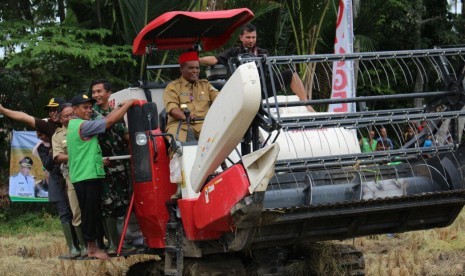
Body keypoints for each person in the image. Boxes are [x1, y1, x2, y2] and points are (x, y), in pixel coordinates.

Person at [0, 98, 80, 258]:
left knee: (80, 210)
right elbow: (24, 117)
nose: (52, 113)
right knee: (65, 212)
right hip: (59, 175)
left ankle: (88, 246)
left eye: (55, 109)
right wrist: (3, 110)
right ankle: (74, 249)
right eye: (49, 110)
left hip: (78, 172)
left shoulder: (79, 123)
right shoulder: (48, 126)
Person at [67, 93, 135, 260]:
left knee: (92, 212)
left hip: (86, 173)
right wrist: (129, 104)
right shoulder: (83, 126)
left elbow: (106, 119)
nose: (89, 110)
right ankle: (91, 249)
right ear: (75, 109)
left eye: (90, 107)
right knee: (90, 214)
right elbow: (109, 122)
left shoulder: (75, 125)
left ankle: (94, 247)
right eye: (85, 108)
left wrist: (118, 107)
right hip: (86, 175)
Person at [199, 23, 315, 112]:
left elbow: (269, 71)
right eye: (248, 37)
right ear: (241, 38)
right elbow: (214, 59)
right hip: (240, 92)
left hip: (261, 88)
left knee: (290, 73)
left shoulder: (262, 52)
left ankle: (306, 104)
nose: (251, 40)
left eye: (253, 37)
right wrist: (196, 60)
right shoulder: (233, 52)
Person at [90, 79, 135, 253]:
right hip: (105, 166)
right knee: (107, 205)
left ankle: (123, 241)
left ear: (109, 93)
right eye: (94, 92)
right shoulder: (92, 113)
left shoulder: (116, 112)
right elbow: (108, 123)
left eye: (99, 91)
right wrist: (127, 104)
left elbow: (124, 135)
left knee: (122, 204)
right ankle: (112, 244)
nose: (96, 95)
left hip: (121, 164)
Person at [52, 103, 87, 257]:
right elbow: (59, 157)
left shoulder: (85, 127)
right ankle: (84, 246)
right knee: (76, 211)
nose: (69, 118)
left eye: (71, 114)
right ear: (60, 119)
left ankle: (99, 243)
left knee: (94, 208)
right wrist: (78, 156)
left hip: (90, 173)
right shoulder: (58, 136)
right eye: (65, 116)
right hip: (72, 176)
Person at [164, 51, 220, 142]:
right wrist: (184, 116)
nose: (195, 71)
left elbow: (221, 99)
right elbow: (172, 109)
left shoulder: (206, 85)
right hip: (180, 124)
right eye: (191, 68)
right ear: (182, 69)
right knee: (178, 145)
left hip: (204, 124)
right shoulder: (172, 87)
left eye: (197, 68)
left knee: (218, 141)